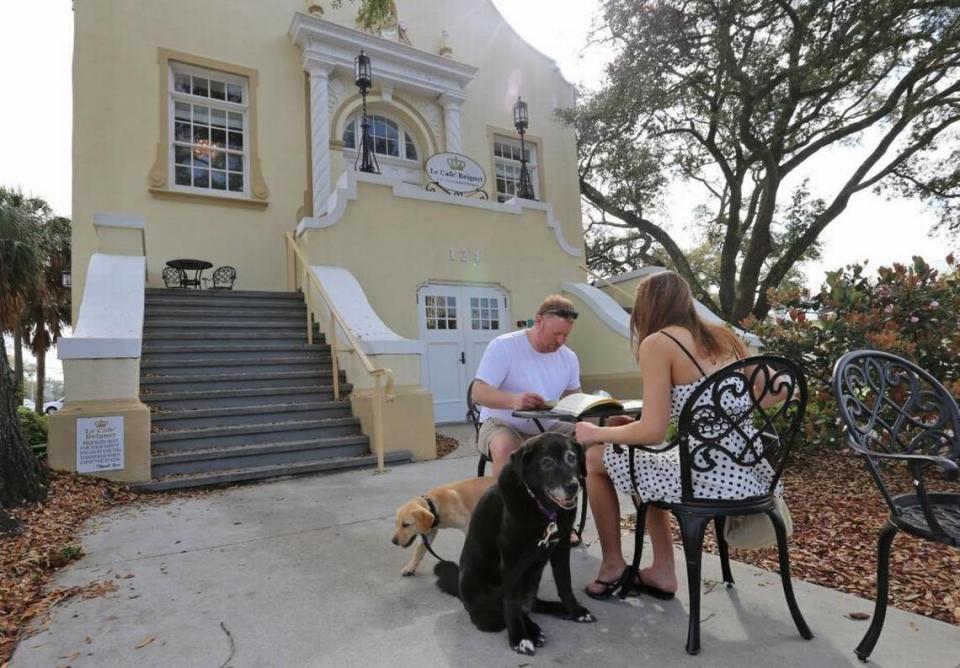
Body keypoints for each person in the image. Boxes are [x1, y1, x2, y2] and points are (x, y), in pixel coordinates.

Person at [574, 271, 770, 600]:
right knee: (640, 462)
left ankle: (612, 565)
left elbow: (652, 431)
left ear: (646, 307)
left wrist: (595, 432)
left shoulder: (659, 343)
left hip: (705, 477)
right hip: (749, 470)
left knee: (595, 458)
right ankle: (661, 571)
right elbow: (770, 392)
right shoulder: (723, 335)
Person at [472, 295, 582, 478]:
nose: (561, 341)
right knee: (506, 448)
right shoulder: (504, 346)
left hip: (548, 426)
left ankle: (563, 499)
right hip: (502, 423)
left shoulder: (569, 357)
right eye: (556, 334)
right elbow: (478, 393)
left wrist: (603, 421)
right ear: (539, 321)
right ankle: (506, 504)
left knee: (592, 440)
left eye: (566, 335)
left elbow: (575, 400)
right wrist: (514, 400)